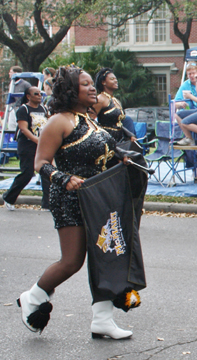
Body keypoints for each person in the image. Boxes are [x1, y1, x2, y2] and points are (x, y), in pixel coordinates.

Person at [17, 66, 136, 338]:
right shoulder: (58, 121)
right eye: (85, 85)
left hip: (98, 198)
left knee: (104, 256)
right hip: (70, 199)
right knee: (72, 261)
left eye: (91, 84)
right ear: (72, 91)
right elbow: (41, 164)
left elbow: (103, 152)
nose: (92, 87)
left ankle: (102, 320)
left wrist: (121, 158)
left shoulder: (88, 119)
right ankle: (33, 298)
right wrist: (64, 178)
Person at [3, 86, 48, 210]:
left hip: (41, 145)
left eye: (40, 93)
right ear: (28, 96)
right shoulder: (23, 109)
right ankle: (8, 198)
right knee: (27, 173)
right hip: (27, 146)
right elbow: (24, 128)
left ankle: (47, 204)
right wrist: (37, 140)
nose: (39, 96)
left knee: (46, 172)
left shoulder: (44, 108)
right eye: (36, 93)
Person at [92, 68, 137, 143]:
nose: (116, 81)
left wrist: (130, 135)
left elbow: (117, 124)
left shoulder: (116, 100)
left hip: (119, 140)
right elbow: (90, 120)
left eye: (116, 79)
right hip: (107, 141)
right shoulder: (100, 99)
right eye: (112, 79)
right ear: (103, 82)